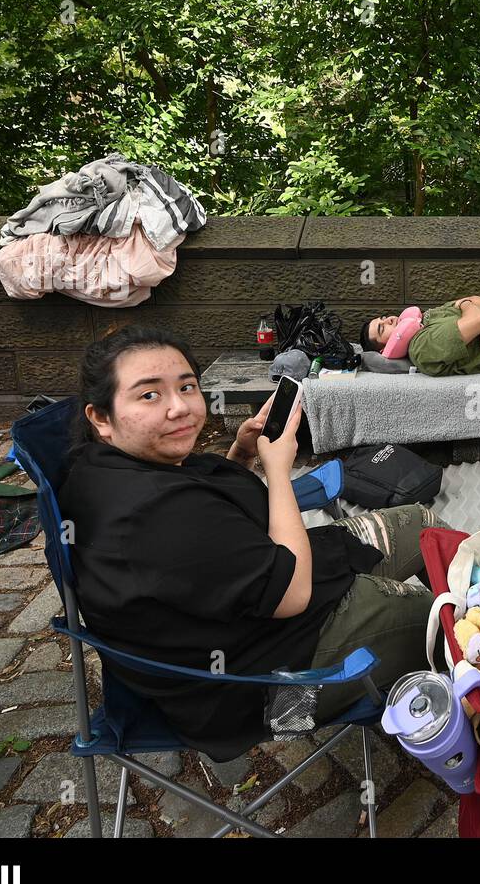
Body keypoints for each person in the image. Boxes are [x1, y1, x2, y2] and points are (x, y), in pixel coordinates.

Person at [58, 324, 445, 762]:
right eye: (149, 395)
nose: (179, 408)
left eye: (186, 387)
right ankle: (469, 683)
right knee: (452, 616)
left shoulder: (104, 470)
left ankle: (448, 650)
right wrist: (278, 468)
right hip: (262, 683)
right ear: (101, 418)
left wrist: (240, 458)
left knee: (424, 525)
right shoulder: (150, 512)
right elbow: (292, 594)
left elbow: (207, 536)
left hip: (251, 617)